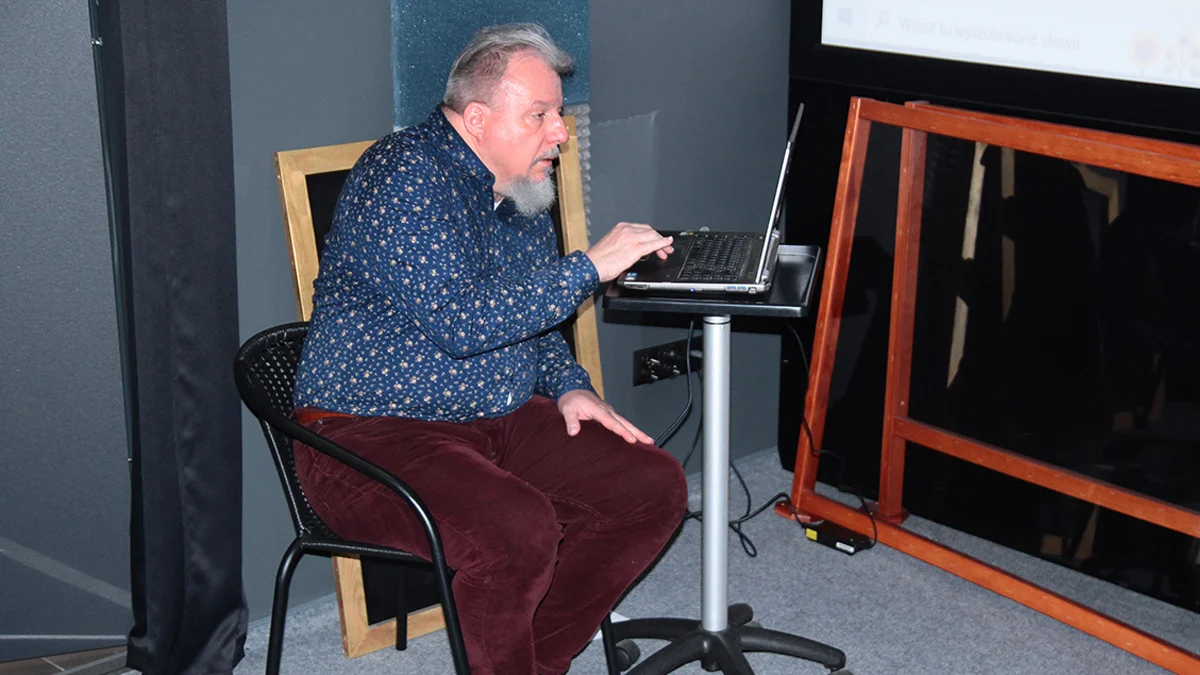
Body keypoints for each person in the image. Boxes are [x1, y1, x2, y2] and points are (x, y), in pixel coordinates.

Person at [291, 23, 688, 675]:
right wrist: (591, 266)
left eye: (558, 114)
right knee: (515, 531)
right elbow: (462, 323)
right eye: (540, 114)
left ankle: (535, 661)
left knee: (652, 487)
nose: (560, 132)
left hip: (492, 415)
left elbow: (529, 315)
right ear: (476, 119)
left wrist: (569, 383)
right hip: (365, 433)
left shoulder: (521, 187)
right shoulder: (403, 175)